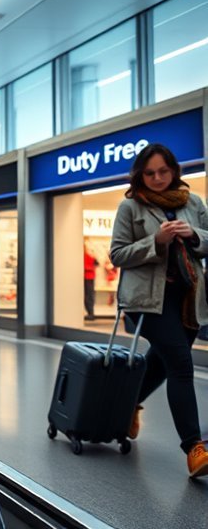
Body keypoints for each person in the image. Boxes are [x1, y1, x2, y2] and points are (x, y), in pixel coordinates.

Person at [109, 143, 208, 478]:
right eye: (149, 173)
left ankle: (125, 407)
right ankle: (194, 448)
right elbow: (118, 254)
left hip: (188, 299)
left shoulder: (192, 202)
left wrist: (194, 234)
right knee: (180, 364)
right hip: (146, 303)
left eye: (163, 171)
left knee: (163, 362)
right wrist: (156, 242)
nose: (157, 178)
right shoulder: (131, 206)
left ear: (173, 170)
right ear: (140, 174)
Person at [83, 242, 98, 320]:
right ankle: (90, 313)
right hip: (88, 278)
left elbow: (96, 264)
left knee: (88, 296)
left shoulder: (87, 256)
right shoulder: (88, 256)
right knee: (88, 296)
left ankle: (91, 313)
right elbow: (96, 264)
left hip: (88, 278)